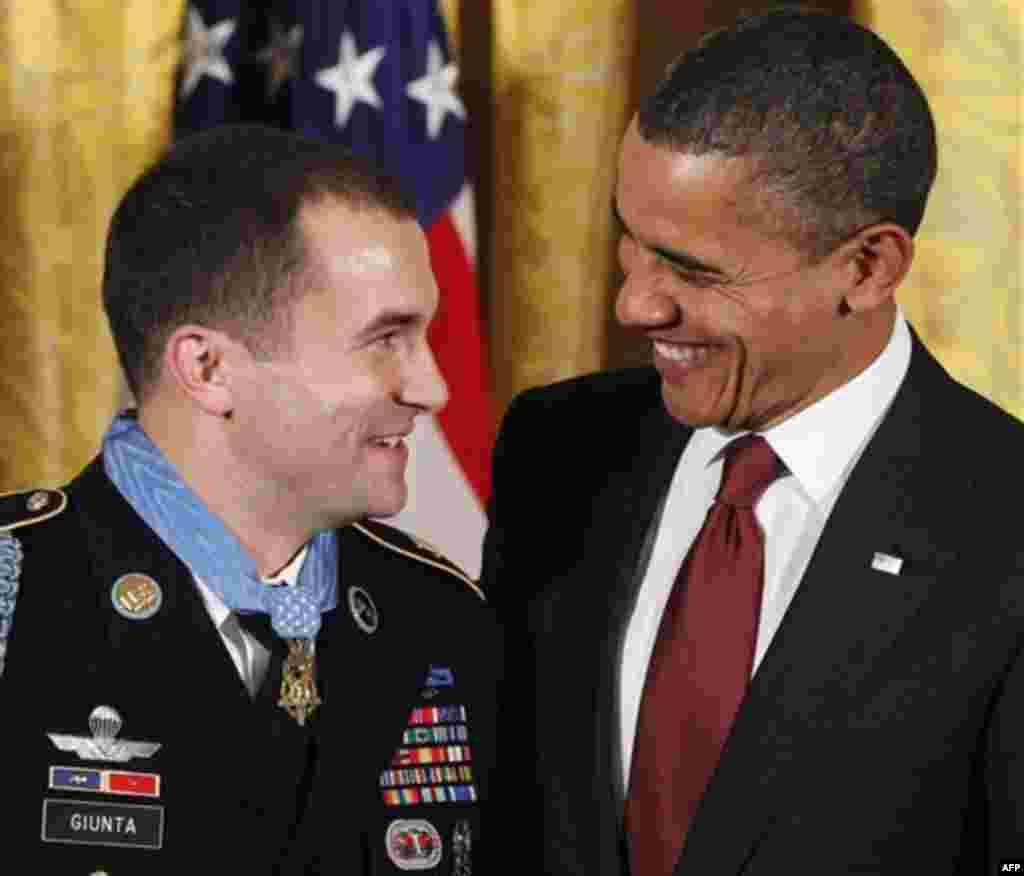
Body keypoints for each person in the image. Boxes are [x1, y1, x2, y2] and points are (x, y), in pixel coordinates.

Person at [484, 8, 1024, 874]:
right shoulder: (558, 450)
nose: (634, 306)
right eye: (633, 247)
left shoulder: (1003, 523)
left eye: (692, 271)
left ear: (866, 269)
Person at [1, 124, 498, 874]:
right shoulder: (15, 600)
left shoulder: (442, 621)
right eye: (385, 339)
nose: (432, 387)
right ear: (206, 367)